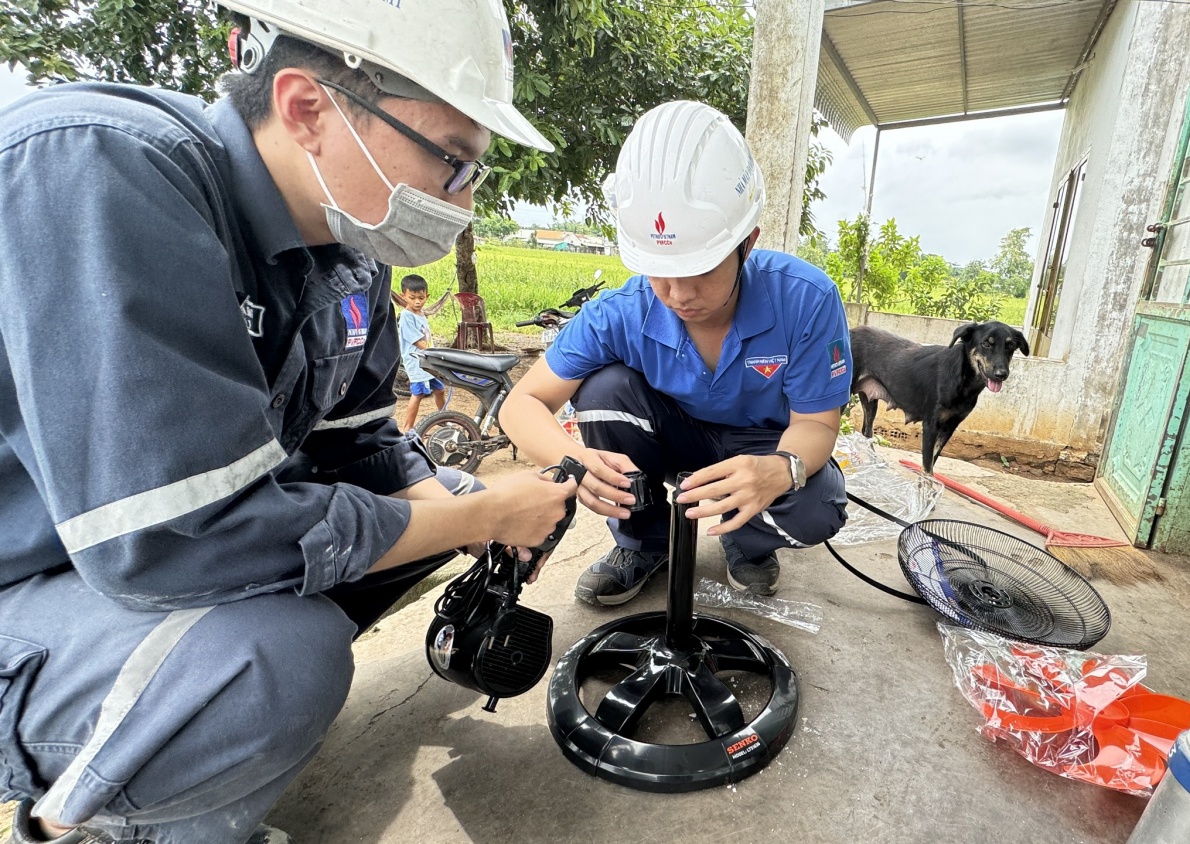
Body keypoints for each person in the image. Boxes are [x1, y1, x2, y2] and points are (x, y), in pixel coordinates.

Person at [0, 0, 573, 841]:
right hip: (41, 579)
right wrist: (485, 513)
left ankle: (198, 737)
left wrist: (464, 512)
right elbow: (175, 537)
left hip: (129, 567)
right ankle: (122, 814)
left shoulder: (349, 259)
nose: (462, 198)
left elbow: (364, 448)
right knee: (281, 657)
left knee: (440, 493)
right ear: (309, 108)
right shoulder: (103, 167)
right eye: (452, 162)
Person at [500, 100, 852, 606]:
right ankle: (645, 542)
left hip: (762, 444)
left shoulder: (805, 299)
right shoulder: (621, 311)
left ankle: (745, 540)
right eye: (659, 271)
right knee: (601, 391)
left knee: (818, 506)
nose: (678, 293)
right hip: (674, 438)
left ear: (746, 244)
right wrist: (574, 458)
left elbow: (816, 425)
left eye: (701, 269)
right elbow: (523, 404)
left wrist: (780, 470)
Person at [396, 273, 448, 430]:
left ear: (427, 296)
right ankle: (408, 428)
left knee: (439, 390)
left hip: (428, 361)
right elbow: (418, 342)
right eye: (412, 298)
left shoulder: (421, 314)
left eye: (421, 297)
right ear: (403, 296)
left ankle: (443, 420)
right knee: (418, 394)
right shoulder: (406, 316)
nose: (417, 301)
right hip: (417, 362)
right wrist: (436, 354)